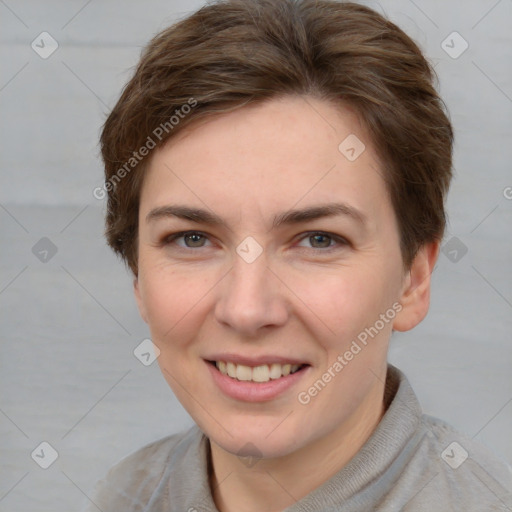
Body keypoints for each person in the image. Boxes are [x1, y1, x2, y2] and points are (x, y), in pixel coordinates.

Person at [84, 0, 512, 510]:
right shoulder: (121, 494)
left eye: (318, 240)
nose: (246, 309)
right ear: (138, 277)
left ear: (413, 280)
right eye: (192, 239)